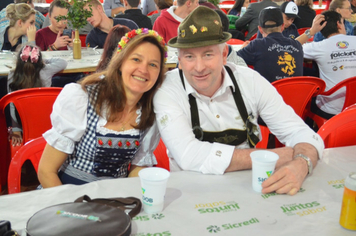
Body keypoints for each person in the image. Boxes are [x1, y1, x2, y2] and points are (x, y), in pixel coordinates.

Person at [153, 6, 324, 195]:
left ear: (224, 54)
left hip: (249, 189)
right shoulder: (167, 89)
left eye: (208, 54)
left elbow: (301, 133)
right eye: (189, 56)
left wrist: (302, 163)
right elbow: (189, 155)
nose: (199, 67)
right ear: (179, 59)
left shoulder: (250, 81)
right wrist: (272, 156)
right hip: (189, 193)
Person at [38, 28, 167, 187]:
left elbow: (137, 168)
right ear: (120, 63)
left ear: (159, 73)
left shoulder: (150, 113)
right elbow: (46, 171)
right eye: (136, 59)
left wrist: (130, 199)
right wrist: (70, 209)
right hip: (68, 194)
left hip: (114, 199)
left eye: (153, 64)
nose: (144, 70)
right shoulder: (83, 99)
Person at [7, 44, 67, 146]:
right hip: (47, 121)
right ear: (39, 60)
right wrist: (44, 62)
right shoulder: (46, 70)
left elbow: (12, 105)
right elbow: (62, 62)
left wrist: (16, 129)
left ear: (18, 60)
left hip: (23, 124)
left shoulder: (12, 74)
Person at [303, 11, 356, 119]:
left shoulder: (318, 47)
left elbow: (290, 49)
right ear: (338, 24)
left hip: (331, 111)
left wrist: (311, 32)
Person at [237, 7, 303, 83]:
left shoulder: (256, 45)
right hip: (295, 93)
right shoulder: (298, 45)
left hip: (266, 94)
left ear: (260, 29)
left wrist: (242, 48)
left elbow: (232, 60)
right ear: (282, 26)